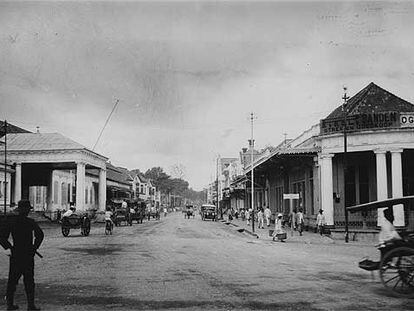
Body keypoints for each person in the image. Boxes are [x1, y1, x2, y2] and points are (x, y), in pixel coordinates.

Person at [0, 200, 44, 311]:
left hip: (16, 254)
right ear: (28, 210)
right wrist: (34, 247)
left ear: (19, 209)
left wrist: (10, 247)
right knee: (29, 281)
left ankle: (10, 305)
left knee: (12, 280)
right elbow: (40, 235)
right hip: (28, 254)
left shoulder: (12, 221)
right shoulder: (30, 222)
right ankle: (30, 305)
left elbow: (2, 237)